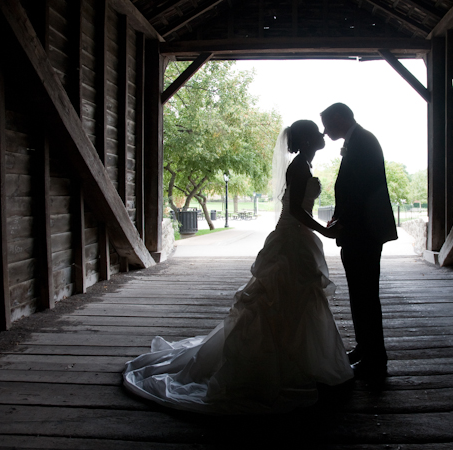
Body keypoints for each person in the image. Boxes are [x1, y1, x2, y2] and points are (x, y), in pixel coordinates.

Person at [122, 121, 353, 414]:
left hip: (297, 238)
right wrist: (325, 230)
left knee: (297, 300)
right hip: (291, 239)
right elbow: (295, 210)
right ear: (306, 140)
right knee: (282, 298)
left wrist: (322, 226)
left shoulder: (303, 163)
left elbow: (300, 207)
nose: (322, 134)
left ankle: (299, 361)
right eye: (315, 132)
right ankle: (283, 366)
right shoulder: (298, 166)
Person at [321, 103, 398, 380]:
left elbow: (362, 192)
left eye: (327, 124)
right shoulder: (359, 140)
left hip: (362, 233)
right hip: (358, 231)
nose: (324, 131)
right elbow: (351, 188)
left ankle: (375, 358)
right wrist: (338, 217)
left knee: (365, 296)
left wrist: (343, 221)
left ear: (339, 118)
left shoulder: (363, 141)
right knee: (360, 295)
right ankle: (365, 348)